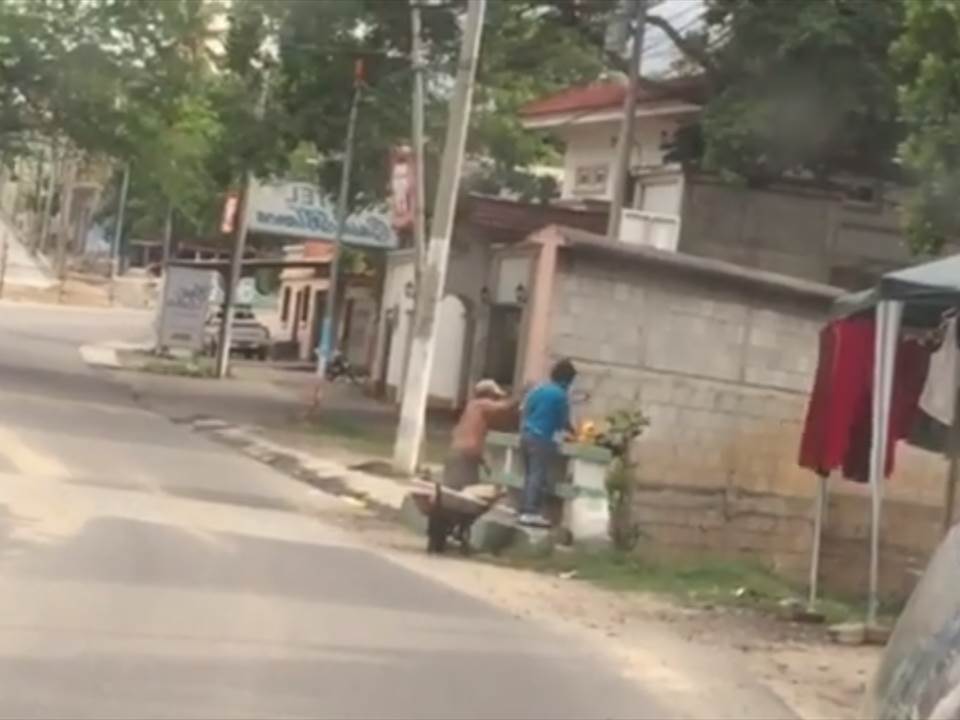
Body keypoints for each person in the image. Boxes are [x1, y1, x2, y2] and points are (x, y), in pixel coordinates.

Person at [518, 358, 577, 527]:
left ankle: (524, 509)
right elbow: (563, 422)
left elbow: (525, 410)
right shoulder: (561, 396)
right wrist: (573, 433)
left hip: (526, 435)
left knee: (529, 475)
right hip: (542, 438)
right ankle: (530, 512)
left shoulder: (538, 390)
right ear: (568, 380)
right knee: (538, 475)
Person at [443, 379, 519, 490]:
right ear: (487, 394)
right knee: (464, 492)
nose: (496, 400)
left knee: (453, 491)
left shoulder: (472, 407)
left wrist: (483, 462)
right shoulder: (481, 404)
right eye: (495, 397)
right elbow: (506, 406)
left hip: (457, 454)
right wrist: (522, 396)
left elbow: (471, 440)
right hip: (464, 458)